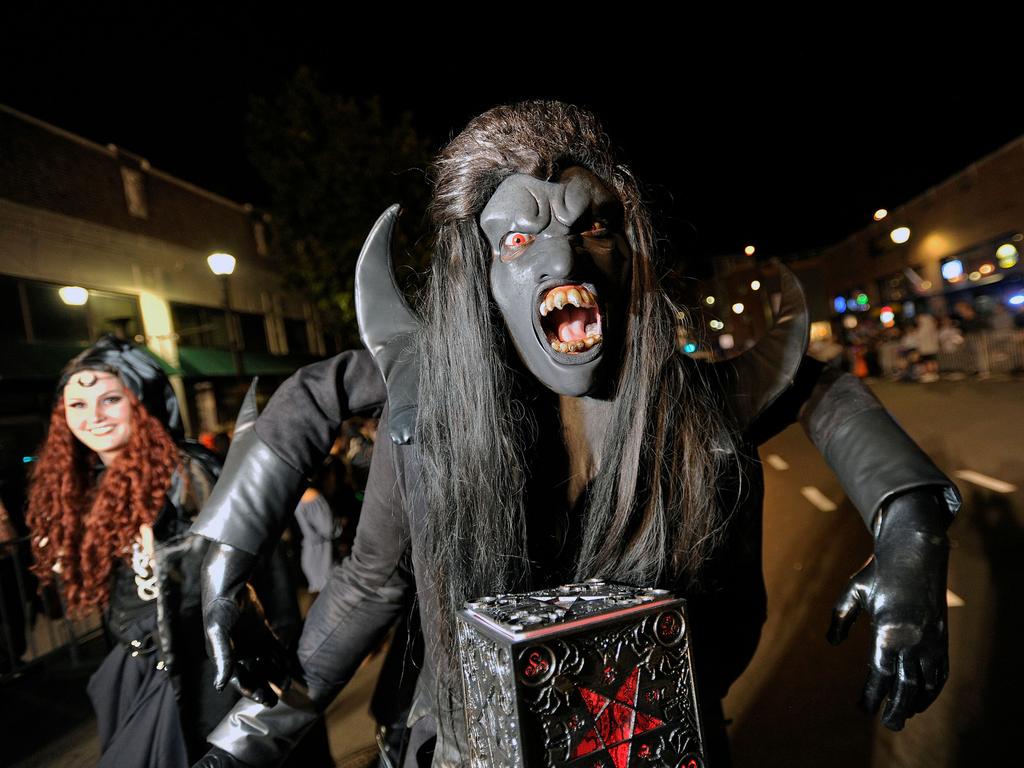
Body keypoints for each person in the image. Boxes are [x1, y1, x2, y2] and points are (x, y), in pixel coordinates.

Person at [192, 102, 960, 767]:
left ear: (629, 254)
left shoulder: (684, 405)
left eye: (593, 226)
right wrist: (227, 604)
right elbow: (360, 558)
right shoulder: (433, 411)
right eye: (519, 240)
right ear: (482, 277)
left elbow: (817, 384)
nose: (565, 255)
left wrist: (913, 532)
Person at [24, 336, 298, 767]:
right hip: (134, 666)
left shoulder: (187, 470)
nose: (92, 416)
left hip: (200, 665)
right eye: (76, 405)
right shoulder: (89, 485)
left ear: (141, 399)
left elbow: (248, 570)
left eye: (110, 399)